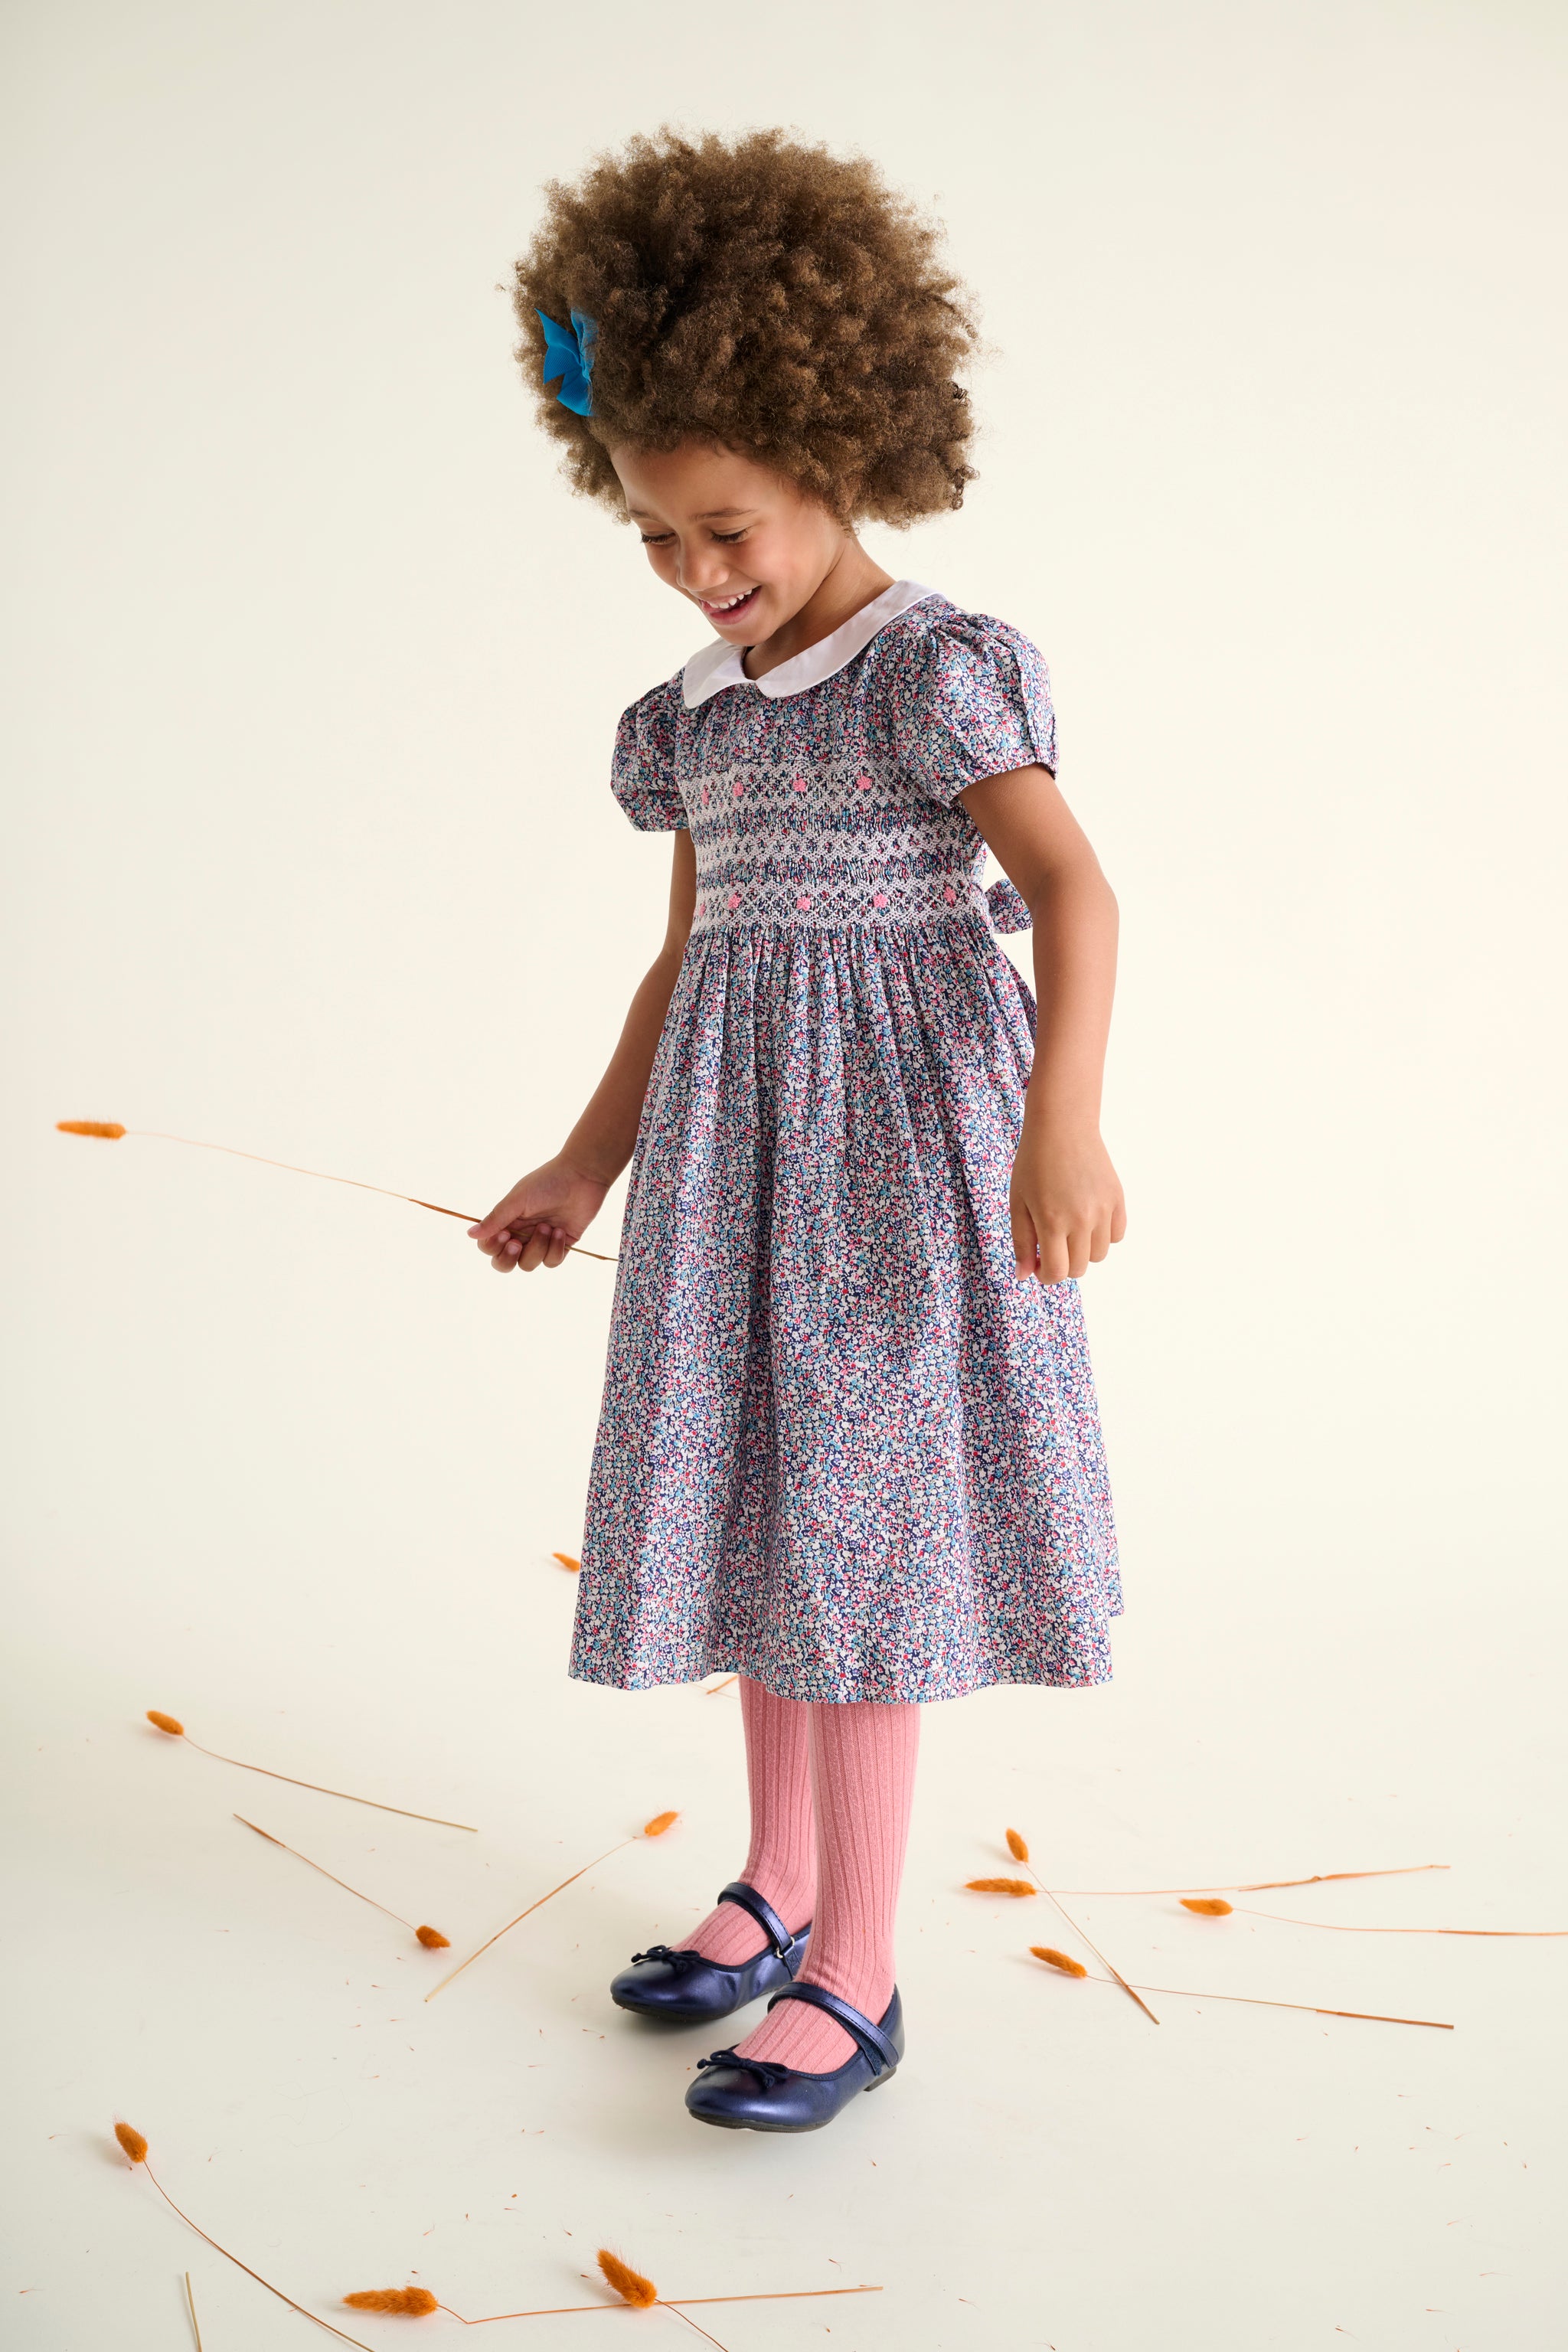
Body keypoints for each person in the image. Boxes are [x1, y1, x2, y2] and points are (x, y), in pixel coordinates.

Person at [471, 129, 1125, 2135]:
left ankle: (864, 1970)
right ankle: (778, 1891)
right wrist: (588, 1161)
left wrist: (1061, 1127)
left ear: (838, 448)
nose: (700, 570)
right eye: (661, 536)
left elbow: (1080, 896)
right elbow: (686, 970)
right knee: (767, 1527)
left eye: (728, 525)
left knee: (857, 1550)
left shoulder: (932, 673)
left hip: (899, 1176)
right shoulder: (704, 713)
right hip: (735, 1175)